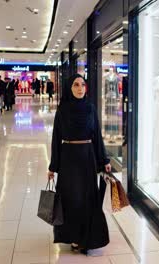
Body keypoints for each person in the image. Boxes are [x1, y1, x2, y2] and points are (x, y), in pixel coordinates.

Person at [48, 74, 111, 254]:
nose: (80, 88)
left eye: (83, 85)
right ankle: (74, 237)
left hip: (87, 159)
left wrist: (104, 160)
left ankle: (86, 236)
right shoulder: (63, 110)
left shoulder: (90, 108)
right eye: (76, 85)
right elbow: (56, 139)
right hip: (69, 159)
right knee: (71, 199)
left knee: (87, 199)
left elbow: (97, 137)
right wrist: (53, 167)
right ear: (70, 87)